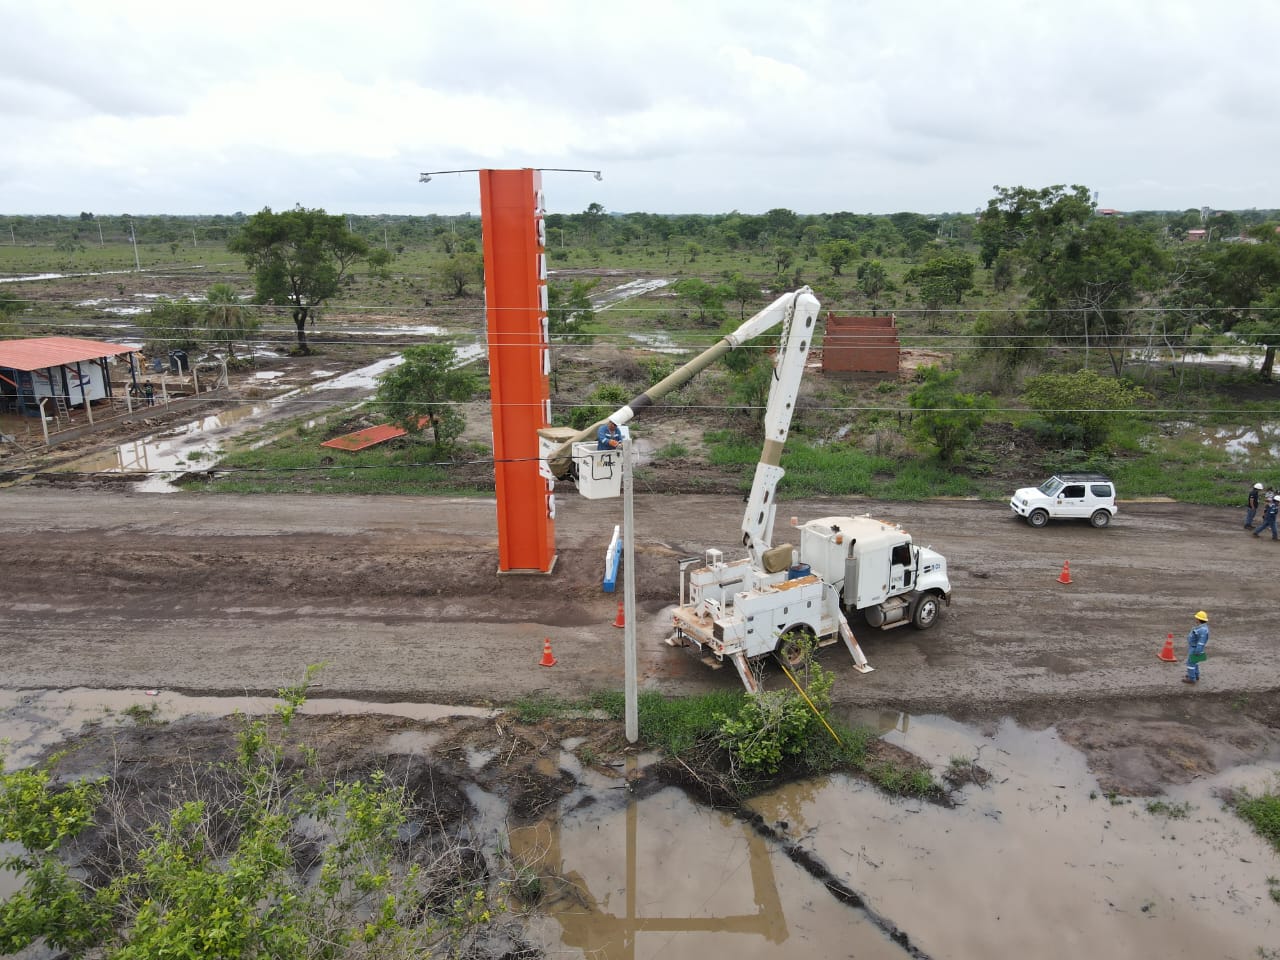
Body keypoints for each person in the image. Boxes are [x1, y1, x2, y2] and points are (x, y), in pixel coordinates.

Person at [1182, 610, 1209, 685]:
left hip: (1195, 648)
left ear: (1198, 619)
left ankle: (1192, 678)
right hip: (1194, 647)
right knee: (1195, 661)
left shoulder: (1202, 630)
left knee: (1190, 663)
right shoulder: (1202, 628)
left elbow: (1201, 642)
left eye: (1196, 618)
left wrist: (1197, 651)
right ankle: (1195, 675)